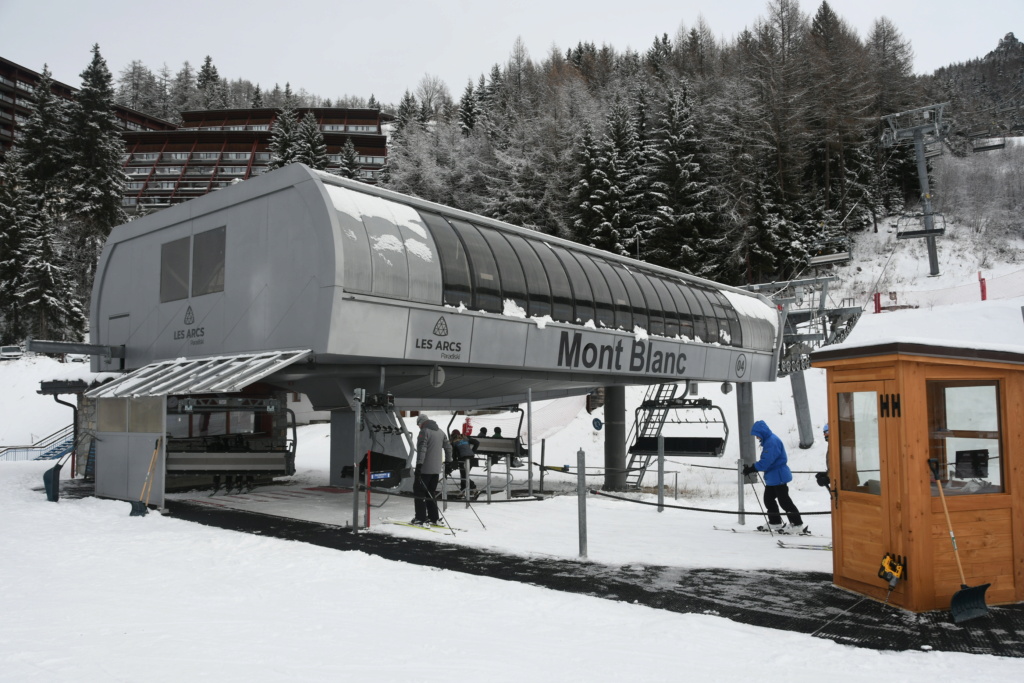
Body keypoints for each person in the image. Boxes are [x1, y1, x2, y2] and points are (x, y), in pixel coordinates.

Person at [743, 420, 808, 535]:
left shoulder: (771, 442)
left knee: (784, 501)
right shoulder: (769, 440)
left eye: (757, 435)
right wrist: (753, 468)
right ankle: (775, 522)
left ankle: (797, 524)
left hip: (778, 476)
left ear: (762, 432)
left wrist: (753, 468)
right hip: (773, 477)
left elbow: (766, 461)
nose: (757, 437)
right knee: (768, 499)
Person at [412, 413, 452, 526]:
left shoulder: (424, 432)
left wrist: (419, 465)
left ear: (421, 423)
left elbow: (422, 449)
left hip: (425, 469)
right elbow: (448, 447)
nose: (419, 427)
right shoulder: (441, 432)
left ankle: (420, 518)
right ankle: (434, 517)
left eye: (418, 424)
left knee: (419, 492)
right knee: (431, 493)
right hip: (436, 469)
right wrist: (449, 462)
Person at [449, 429, 480, 497]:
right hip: (471, 458)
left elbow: (454, 453)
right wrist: (472, 451)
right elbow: (477, 442)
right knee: (464, 475)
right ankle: (462, 491)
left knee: (464, 476)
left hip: (463, 459)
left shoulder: (454, 442)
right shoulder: (466, 438)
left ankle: (474, 488)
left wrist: (454, 461)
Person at [815, 424, 831, 489]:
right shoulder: (831, 446)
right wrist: (827, 474)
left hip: (846, 487)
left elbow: (843, 468)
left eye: (826, 432)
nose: (824, 435)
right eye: (824, 432)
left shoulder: (837, 445)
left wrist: (828, 477)